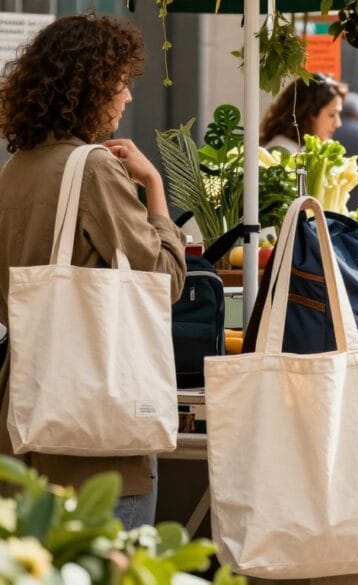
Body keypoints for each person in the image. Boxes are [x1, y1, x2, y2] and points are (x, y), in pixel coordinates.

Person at [0, 14, 186, 529]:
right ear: (91, 86)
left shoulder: (15, 171)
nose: (126, 97)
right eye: (122, 83)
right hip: (94, 434)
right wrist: (154, 189)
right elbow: (163, 281)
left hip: (23, 417)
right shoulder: (96, 169)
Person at [259, 73, 345, 152]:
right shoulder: (282, 152)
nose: (338, 123)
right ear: (308, 113)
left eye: (339, 114)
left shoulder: (301, 149)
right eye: (332, 114)